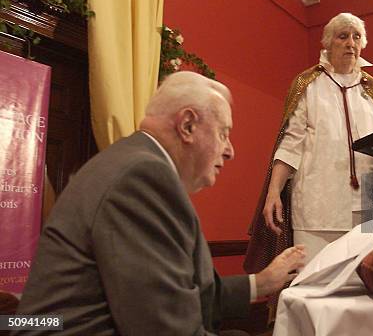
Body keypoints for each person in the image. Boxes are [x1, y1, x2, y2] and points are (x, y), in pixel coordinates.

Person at [16, 72, 305, 336]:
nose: (230, 151)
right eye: (223, 133)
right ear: (188, 125)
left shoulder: (134, 162)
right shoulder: (143, 177)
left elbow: (183, 296)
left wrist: (262, 283)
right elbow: (165, 327)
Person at [244, 13, 373, 274]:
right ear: (327, 44)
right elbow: (291, 144)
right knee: (313, 286)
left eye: (356, 37)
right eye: (342, 36)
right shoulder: (309, 84)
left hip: (369, 209)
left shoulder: (371, 88)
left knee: (365, 291)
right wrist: (274, 192)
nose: (350, 43)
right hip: (317, 209)